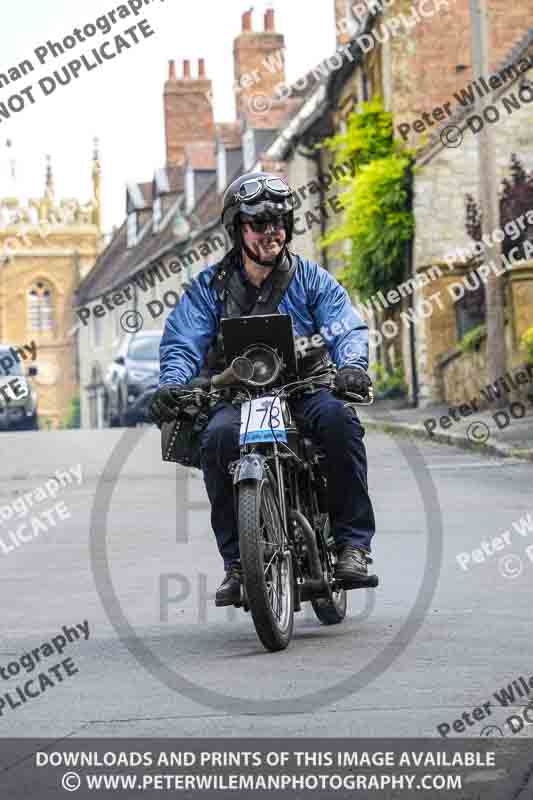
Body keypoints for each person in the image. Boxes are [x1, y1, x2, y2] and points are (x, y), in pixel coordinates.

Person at [150, 172, 376, 606]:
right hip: (238, 397)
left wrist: (351, 366)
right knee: (217, 438)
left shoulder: (312, 280)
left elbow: (345, 325)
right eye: (259, 224)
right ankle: (238, 565)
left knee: (339, 421)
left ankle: (352, 545)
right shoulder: (208, 289)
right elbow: (183, 341)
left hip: (305, 389)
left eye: (279, 223)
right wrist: (173, 384)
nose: (271, 232)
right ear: (238, 230)